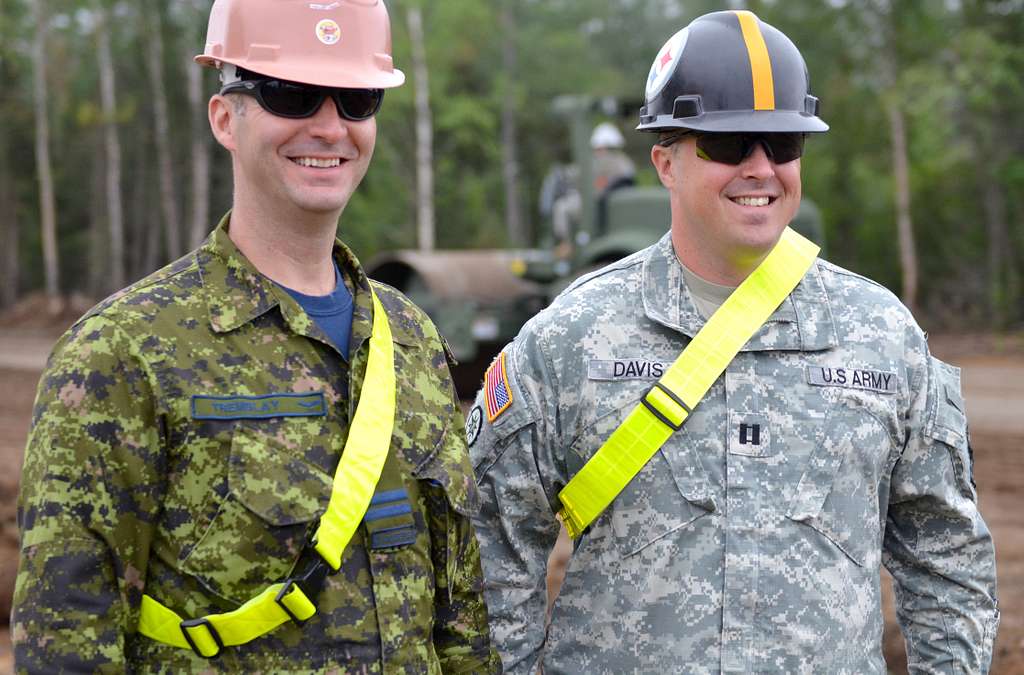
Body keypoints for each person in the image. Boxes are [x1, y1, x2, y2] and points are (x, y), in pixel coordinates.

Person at [467, 10, 998, 674]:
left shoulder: (882, 336)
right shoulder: (571, 339)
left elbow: (947, 560)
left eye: (783, 144)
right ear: (665, 161)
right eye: (730, 144)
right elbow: (489, 544)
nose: (761, 168)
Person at [12, 0, 500, 671]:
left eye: (356, 100)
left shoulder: (411, 338)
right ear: (225, 118)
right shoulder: (122, 353)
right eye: (291, 95)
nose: (330, 127)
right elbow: (65, 638)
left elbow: (461, 618)